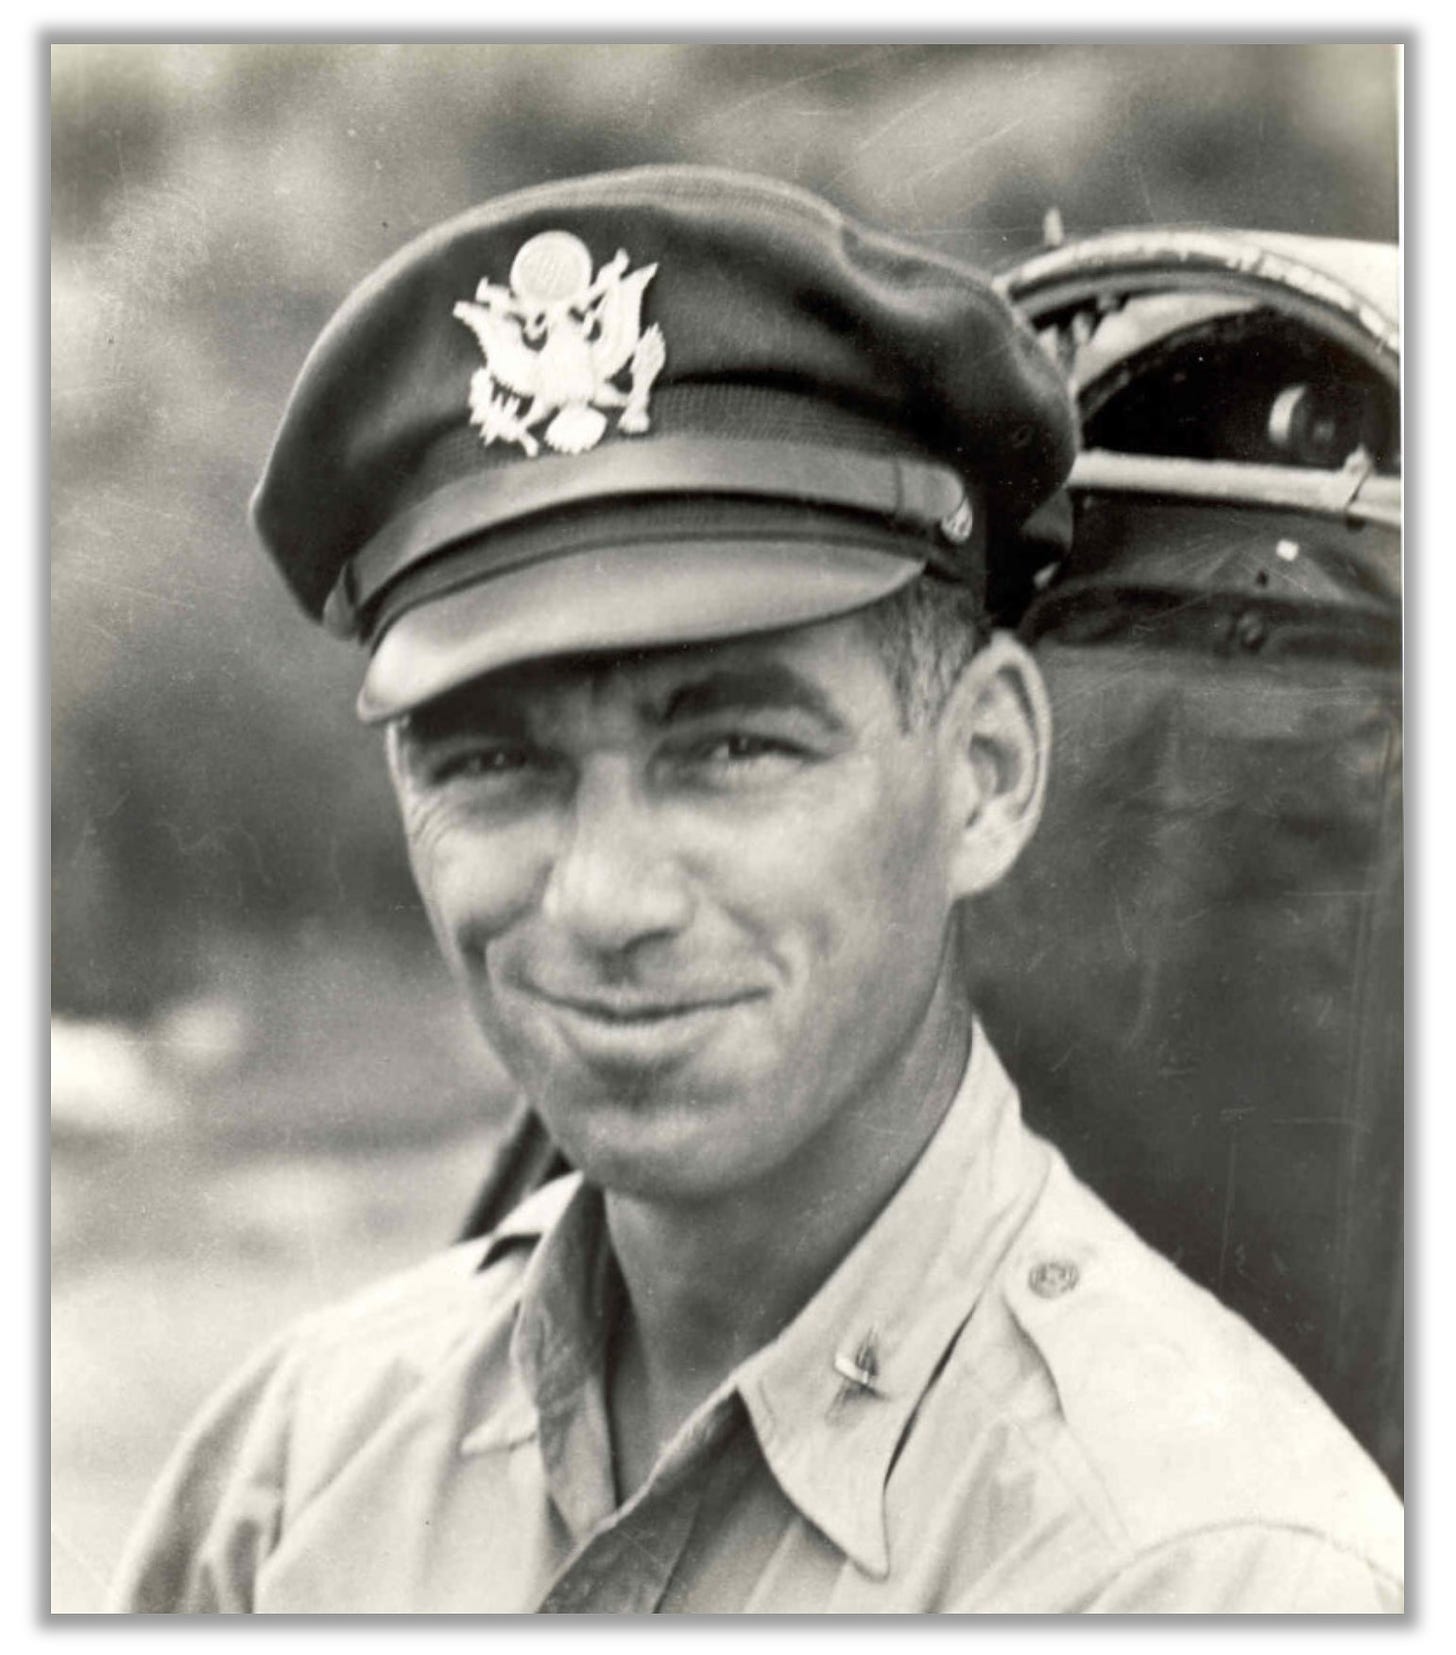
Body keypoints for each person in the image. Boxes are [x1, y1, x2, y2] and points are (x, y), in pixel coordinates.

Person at [109, 166, 1403, 1614]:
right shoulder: (296, 1477)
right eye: (491, 764)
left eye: (730, 746)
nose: (603, 899)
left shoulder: (1200, 1575)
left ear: (984, 771)